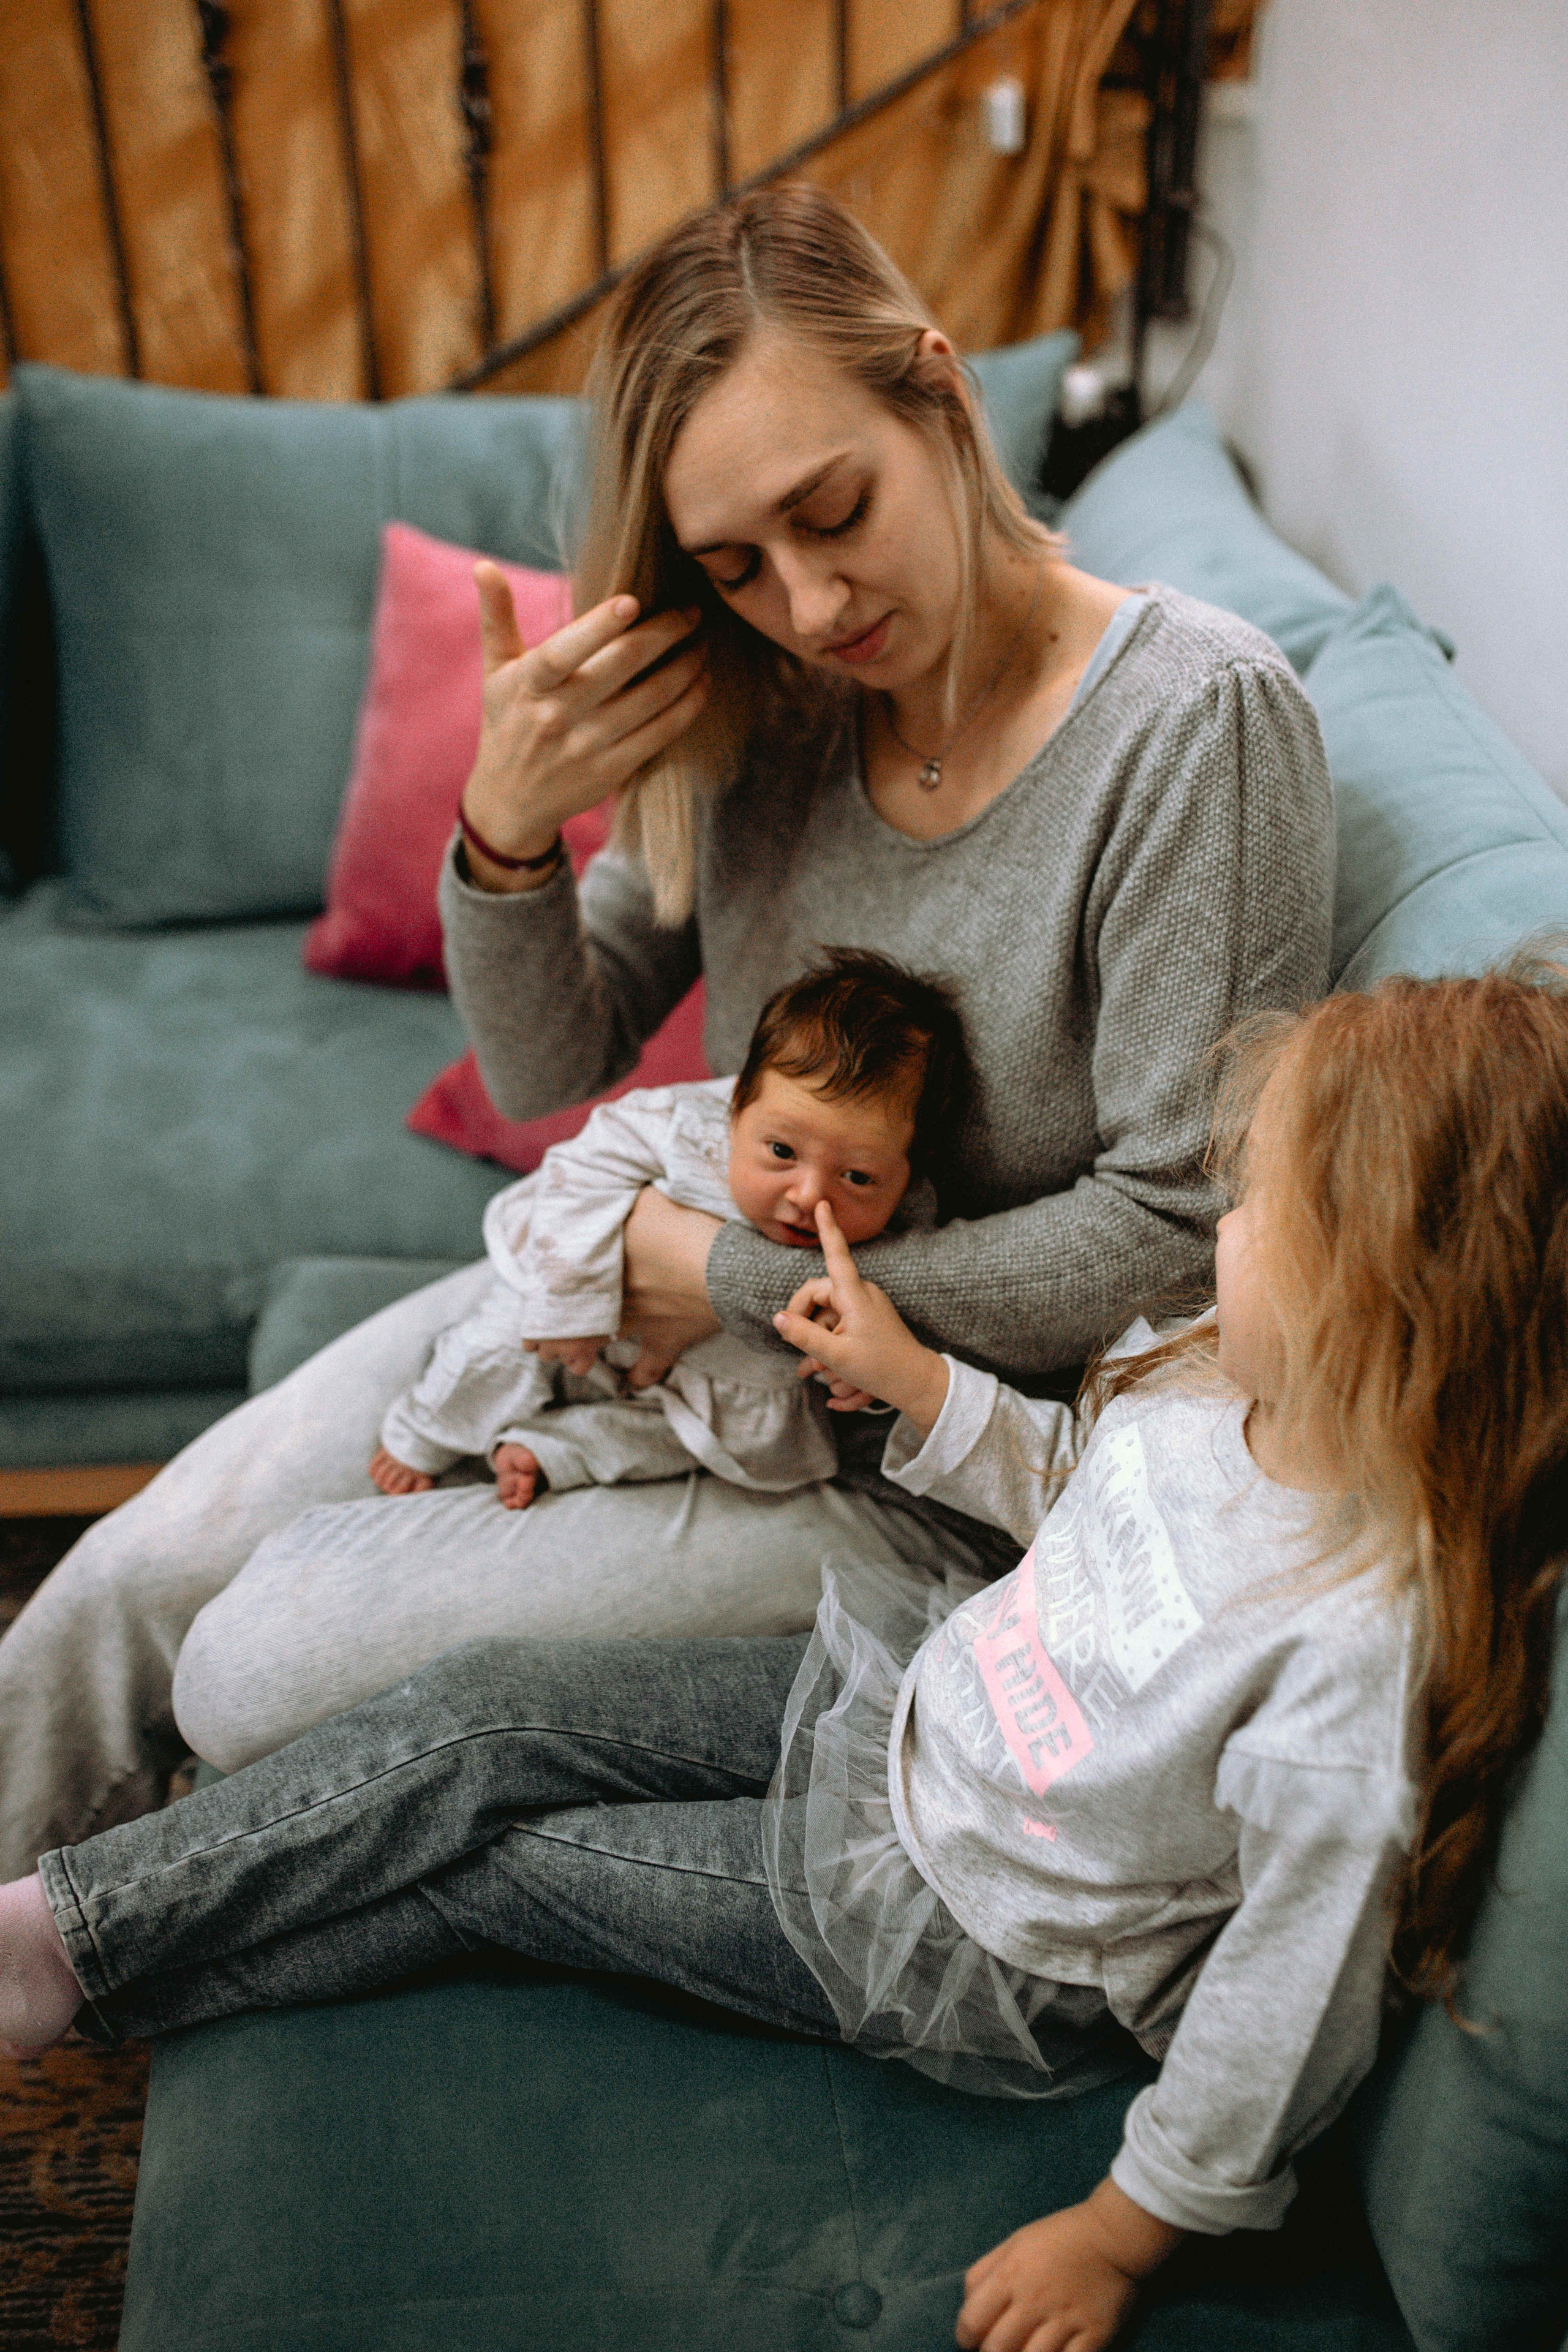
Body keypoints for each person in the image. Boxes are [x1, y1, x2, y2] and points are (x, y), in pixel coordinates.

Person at [0, 181, 1332, 1871]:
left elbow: (1171, 1233)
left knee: (255, 1664)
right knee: (120, 1584)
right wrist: (501, 837)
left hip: (903, 1462)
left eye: (833, 509)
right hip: (644, 1306)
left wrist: (732, 1278)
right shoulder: (781, 705)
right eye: (737, 568)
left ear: (939, 388)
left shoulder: (1196, 724)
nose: (811, 600)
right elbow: (548, 1064)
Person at [4, 963, 1564, 2352]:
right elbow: (1070, 1485)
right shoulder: (1201, 1384)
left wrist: (1124, 2224)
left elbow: (1284, 1999)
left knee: (508, 1861)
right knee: (489, 1706)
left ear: (1391, 1287)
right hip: (911, 1717)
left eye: (1260, 1208)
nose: (1213, 1223)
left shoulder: (1353, 1644)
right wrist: (912, 1381)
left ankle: (105, 1977)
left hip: (981, 1926)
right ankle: (69, 1930)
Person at [368, 946, 965, 1507]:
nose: (809, 1196)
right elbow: (577, 1172)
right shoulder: (682, 1127)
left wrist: (859, 1372)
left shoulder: (909, 1225)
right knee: (503, 1345)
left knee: (720, 1441)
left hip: (727, 1384)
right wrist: (572, 1296)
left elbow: (894, 1318)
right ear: (735, 1110)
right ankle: (425, 1428)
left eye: (858, 1178)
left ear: (910, 1175)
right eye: (781, 1151)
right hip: (589, 1307)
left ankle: (560, 1449)